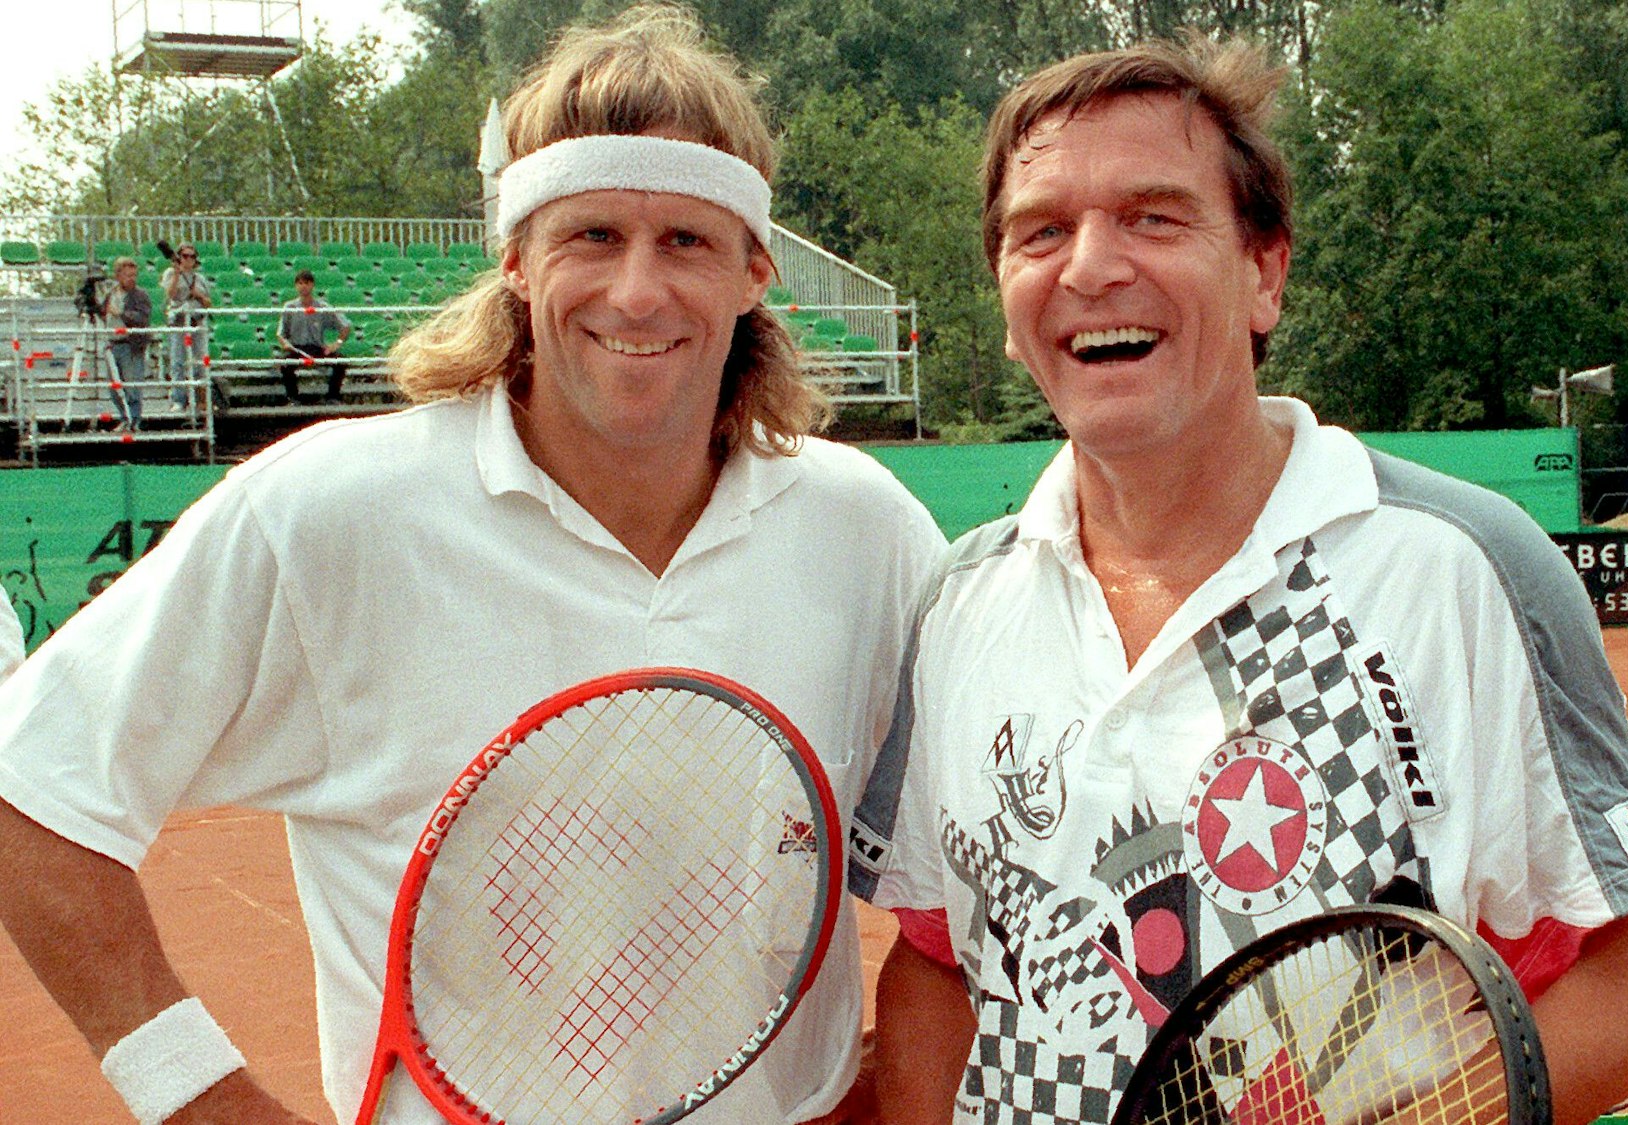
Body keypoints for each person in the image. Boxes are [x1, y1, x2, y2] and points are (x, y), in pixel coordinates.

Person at [0, 8, 941, 1125]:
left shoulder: (865, 527)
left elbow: (965, 876)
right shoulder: (329, 510)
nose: (636, 293)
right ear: (514, 262)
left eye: (684, 241)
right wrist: (200, 1102)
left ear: (752, 272)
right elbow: (31, 790)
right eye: (591, 236)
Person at [850, 34, 1628, 1125]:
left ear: (1263, 271)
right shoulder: (957, 601)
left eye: (1153, 217)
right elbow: (936, 965)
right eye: (1041, 232)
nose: (1089, 266)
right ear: (1005, 303)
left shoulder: (1459, 565)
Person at [275, 268, 352, 404]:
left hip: (316, 348)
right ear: (296, 286)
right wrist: (285, 344)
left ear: (312, 285)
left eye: (306, 283)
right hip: (296, 348)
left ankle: (332, 397)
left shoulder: (322, 307)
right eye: (300, 283)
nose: (303, 286)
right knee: (285, 364)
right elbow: (280, 333)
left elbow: (345, 326)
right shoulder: (289, 307)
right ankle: (293, 398)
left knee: (340, 362)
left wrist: (336, 344)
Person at [99, 256, 152, 431]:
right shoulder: (111, 294)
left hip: (130, 343)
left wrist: (122, 313)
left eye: (134, 275)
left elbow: (143, 318)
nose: (132, 279)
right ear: (119, 275)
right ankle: (124, 416)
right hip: (113, 343)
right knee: (115, 386)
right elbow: (102, 311)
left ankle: (134, 419)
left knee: (132, 384)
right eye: (128, 275)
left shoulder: (140, 295)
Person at [160, 242, 214, 410]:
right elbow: (169, 295)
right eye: (185, 256)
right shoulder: (170, 273)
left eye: (192, 256)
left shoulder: (200, 278)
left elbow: (208, 302)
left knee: (200, 361)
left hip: (196, 320)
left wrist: (197, 294)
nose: (188, 259)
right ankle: (178, 399)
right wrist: (177, 274)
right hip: (179, 321)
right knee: (177, 361)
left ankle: (200, 399)